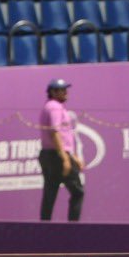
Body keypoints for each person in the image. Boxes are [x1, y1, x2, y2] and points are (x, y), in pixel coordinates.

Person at [38, 77, 85, 222]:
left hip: (50, 154)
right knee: (77, 192)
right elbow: (55, 132)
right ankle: (73, 228)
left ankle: (44, 225)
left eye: (65, 89)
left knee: (50, 192)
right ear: (52, 92)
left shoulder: (53, 106)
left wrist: (73, 155)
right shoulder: (54, 107)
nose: (65, 92)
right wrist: (64, 157)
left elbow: (64, 134)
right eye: (61, 90)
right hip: (57, 155)